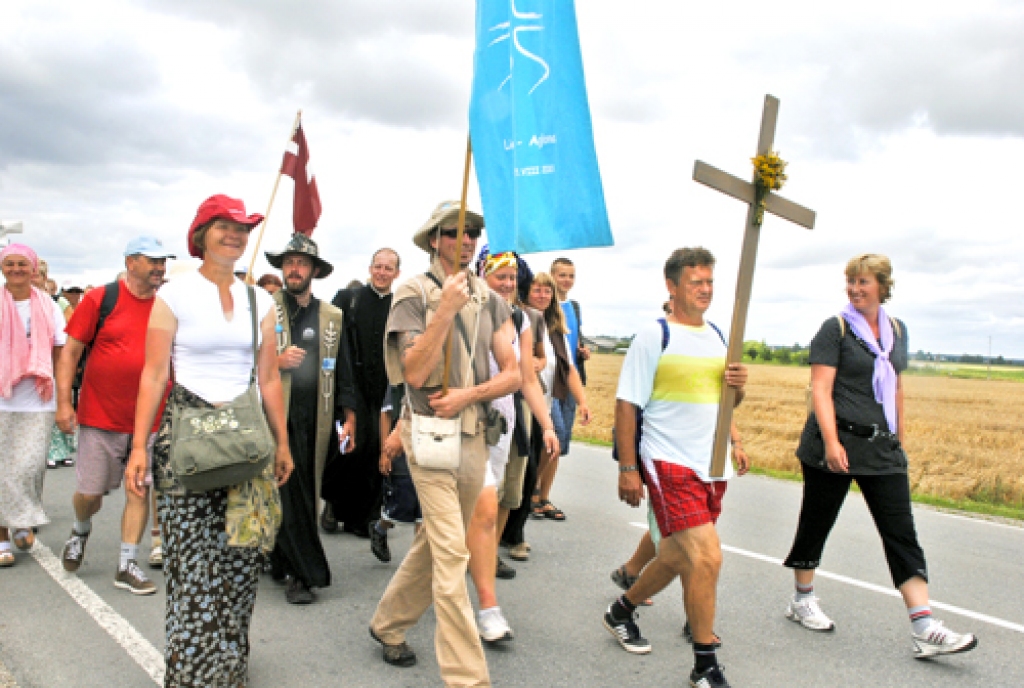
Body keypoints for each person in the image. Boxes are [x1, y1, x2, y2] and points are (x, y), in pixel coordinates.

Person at [126, 194, 294, 686]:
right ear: (201, 235)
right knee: (192, 570)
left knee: (241, 568)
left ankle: (230, 666)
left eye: (243, 228)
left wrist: (281, 443)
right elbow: (154, 375)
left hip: (246, 448)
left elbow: (268, 380)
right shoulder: (173, 295)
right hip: (185, 449)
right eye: (224, 226)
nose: (236, 235)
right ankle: (194, 676)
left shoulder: (260, 300)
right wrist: (139, 446)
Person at [782, 253, 977, 659]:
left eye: (863, 282)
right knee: (817, 521)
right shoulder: (834, 329)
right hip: (833, 444)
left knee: (901, 532)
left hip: (881, 447)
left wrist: (899, 436)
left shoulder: (897, 330)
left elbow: (898, 385)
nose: (854, 289)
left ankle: (923, 626)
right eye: (850, 282)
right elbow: (821, 389)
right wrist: (833, 443)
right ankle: (802, 599)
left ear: (884, 287)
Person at [368, 201, 519, 687]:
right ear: (435, 240)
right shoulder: (412, 292)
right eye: (456, 232)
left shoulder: (491, 298)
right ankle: (467, 678)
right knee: (454, 552)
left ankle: (388, 623)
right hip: (428, 434)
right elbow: (412, 370)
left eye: (474, 231)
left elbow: (514, 372)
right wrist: (446, 310)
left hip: (474, 433)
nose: (469, 240)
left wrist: (470, 395)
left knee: (437, 545)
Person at [606, 247, 749, 688]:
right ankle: (705, 665)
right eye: (695, 282)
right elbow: (627, 405)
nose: (705, 290)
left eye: (709, 282)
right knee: (706, 554)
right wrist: (629, 467)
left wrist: (737, 398)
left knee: (674, 555)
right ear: (672, 286)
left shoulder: (719, 336)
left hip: (711, 465)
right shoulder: (655, 335)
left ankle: (621, 610)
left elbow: (724, 403)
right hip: (668, 461)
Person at [55, 236, 175, 595]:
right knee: (90, 494)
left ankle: (127, 564)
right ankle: (80, 529)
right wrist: (64, 402)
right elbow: (71, 352)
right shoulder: (100, 299)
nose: (158, 268)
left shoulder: (167, 305)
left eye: (162, 262)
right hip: (101, 418)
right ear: (130, 262)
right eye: (151, 260)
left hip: (152, 419)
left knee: (139, 488)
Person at [465, 247, 560, 644]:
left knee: (484, 511)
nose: (506, 284)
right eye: (497, 275)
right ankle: (486, 606)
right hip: (465, 420)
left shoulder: (520, 318)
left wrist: (546, 423)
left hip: (501, 423)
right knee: (478, 511)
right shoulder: (466, 311)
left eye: (511, 277)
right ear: (481, 274)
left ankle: (476, 600)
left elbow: (526, 378)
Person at [264, 233, 357, 604]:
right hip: (273, 413)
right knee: (281, 488)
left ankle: (290, 565)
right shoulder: (265, 307)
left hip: (314, 417)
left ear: (314, 270)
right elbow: (241, 361)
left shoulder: (331, 316)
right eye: (288, 262)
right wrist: (275, 360)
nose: (294, 269)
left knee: (301, 491)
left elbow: (345, 367)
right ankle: (302, 570)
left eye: (301, 263)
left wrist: (349, 416)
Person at [323, 247, 401, 538]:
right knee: (346, 448)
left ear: (397, 274)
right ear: (370, 268)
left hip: (381, 388)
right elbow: (327, 330)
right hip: (350, 385)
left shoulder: (397, 305)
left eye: (388, 268)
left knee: (374, 451)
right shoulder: (348, 299)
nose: (382, 273)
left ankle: (362, 518)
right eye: (378, 266)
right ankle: (332, 502)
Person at [0, 244, 67, 568]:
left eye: (21, 264)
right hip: (2, 397)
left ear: (33, 269)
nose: (15, 269)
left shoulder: (48, 306)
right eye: (9, 264)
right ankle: (2, 535)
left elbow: (60, 352)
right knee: (1, 469)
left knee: (30, 466)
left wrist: (64, 397)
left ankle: (22, 517)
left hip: (38, 398)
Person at [525, 271, 591, 521]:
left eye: (547, 291)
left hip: (553, 394)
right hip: (529, 396)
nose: (542, 295)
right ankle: (530, 492)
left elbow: (569, 366)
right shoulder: (521, 320)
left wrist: (583, 401)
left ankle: (540, 495)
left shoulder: (556, 326)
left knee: (556, 443)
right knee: (545, 444)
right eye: (537, 290)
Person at [371, 384, 422, 562]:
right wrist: (384, 454)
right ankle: (380, 528)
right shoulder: (398, 379)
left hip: (429, 450)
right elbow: (386, 413)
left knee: (423, 514)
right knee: (402, 504)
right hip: (402, 451)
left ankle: (419, 564)